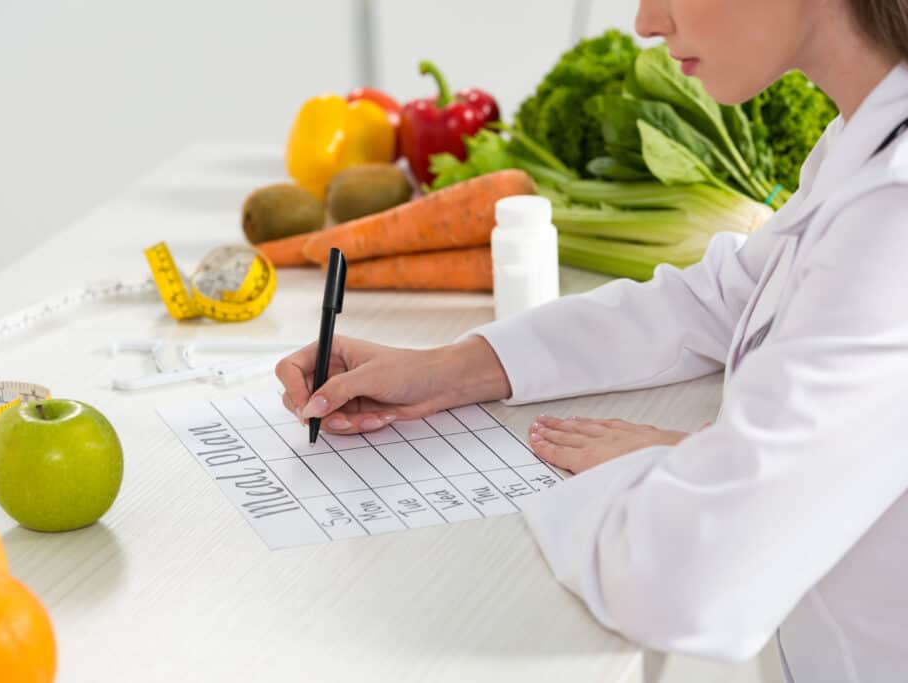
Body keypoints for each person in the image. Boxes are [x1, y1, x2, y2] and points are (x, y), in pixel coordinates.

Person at [276, 0, 908, 679]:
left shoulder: (892, 212)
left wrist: (680, 466)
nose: (646, 21)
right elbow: (722, 296)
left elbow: (689, 582)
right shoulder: (864, 136)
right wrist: (450, 368)